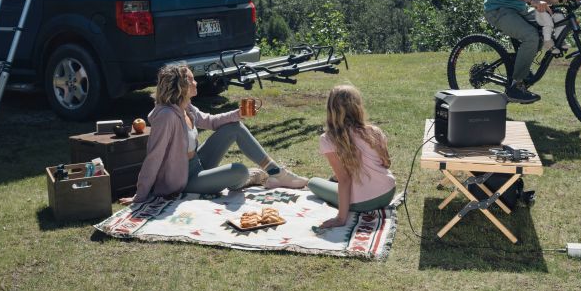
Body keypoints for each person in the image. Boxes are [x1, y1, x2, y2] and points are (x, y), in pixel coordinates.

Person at [120, 63, 308, 205]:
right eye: (191, 80)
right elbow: (154, 156)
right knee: (239, 171)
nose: (195, 82)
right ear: (181, 86)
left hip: (198, 163)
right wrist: (140, 195)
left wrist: (238, 114)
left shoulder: (186, 106)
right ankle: (251, 176)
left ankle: (276, 173)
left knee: (235, 127)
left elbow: (210, 121)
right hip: (183, 180)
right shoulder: (167, 116)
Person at [308, 85, 396, 229]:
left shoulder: (328, 139)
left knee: (313, 182)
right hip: (388, 192)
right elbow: (386, 163)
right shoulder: (374, 131)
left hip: (362, 202)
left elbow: (345, 180)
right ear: (358, 106)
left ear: (331, 109)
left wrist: (341, 218)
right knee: (336, 179)